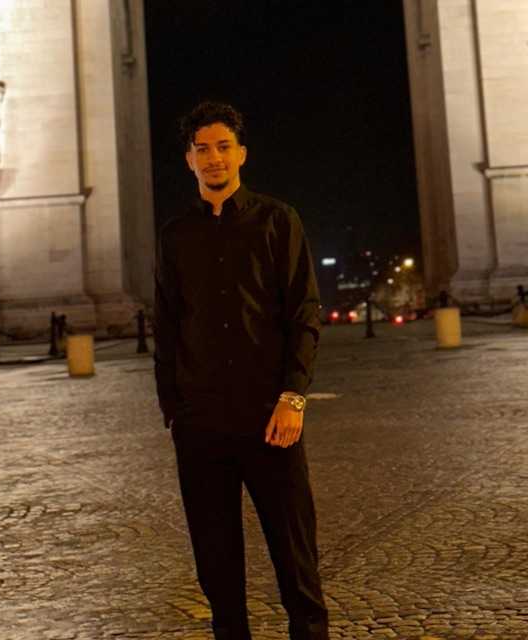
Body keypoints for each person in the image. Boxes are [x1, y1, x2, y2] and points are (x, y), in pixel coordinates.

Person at [153, 101, 328, 640]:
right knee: (217, 572)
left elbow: (304, 314)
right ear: (189, 159)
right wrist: (174, 411)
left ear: (242, 153)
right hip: (201, 424)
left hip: (271, 418)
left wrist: (293, 396)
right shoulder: (174, 235)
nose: (214, 158)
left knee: (297, 562)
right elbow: (167, 324)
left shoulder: (279, 221)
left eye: (223, 147)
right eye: (203, 149)